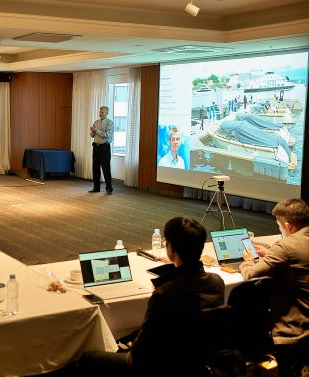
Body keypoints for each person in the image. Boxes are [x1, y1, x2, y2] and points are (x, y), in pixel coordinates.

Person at [79, 217, 225, 377]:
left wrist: (131, 347)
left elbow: (141, 351)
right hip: (200, 361)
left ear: (171, 249)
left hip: (159, 365)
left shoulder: (165, 293)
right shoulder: (217, 282)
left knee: (87, 358)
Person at [240, 198, 309, 376]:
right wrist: (271, 252)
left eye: (279, 226)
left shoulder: (286, 246)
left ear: (288, 226)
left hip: (294, 332)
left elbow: (250, 274)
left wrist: (247, 261)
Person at [89, 106, 114, 194]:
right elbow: (92, 136)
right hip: (96, 147)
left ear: (107, 113)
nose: (100, 113)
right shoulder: (96, 122)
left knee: (106, 168)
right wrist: (92, 131)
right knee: (95, 168)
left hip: (105, 147)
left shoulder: (110, 123)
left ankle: (108, 188)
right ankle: (96, 187)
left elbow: (107, 135)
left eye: (102, 112)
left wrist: (96, 130)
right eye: (100, 112)